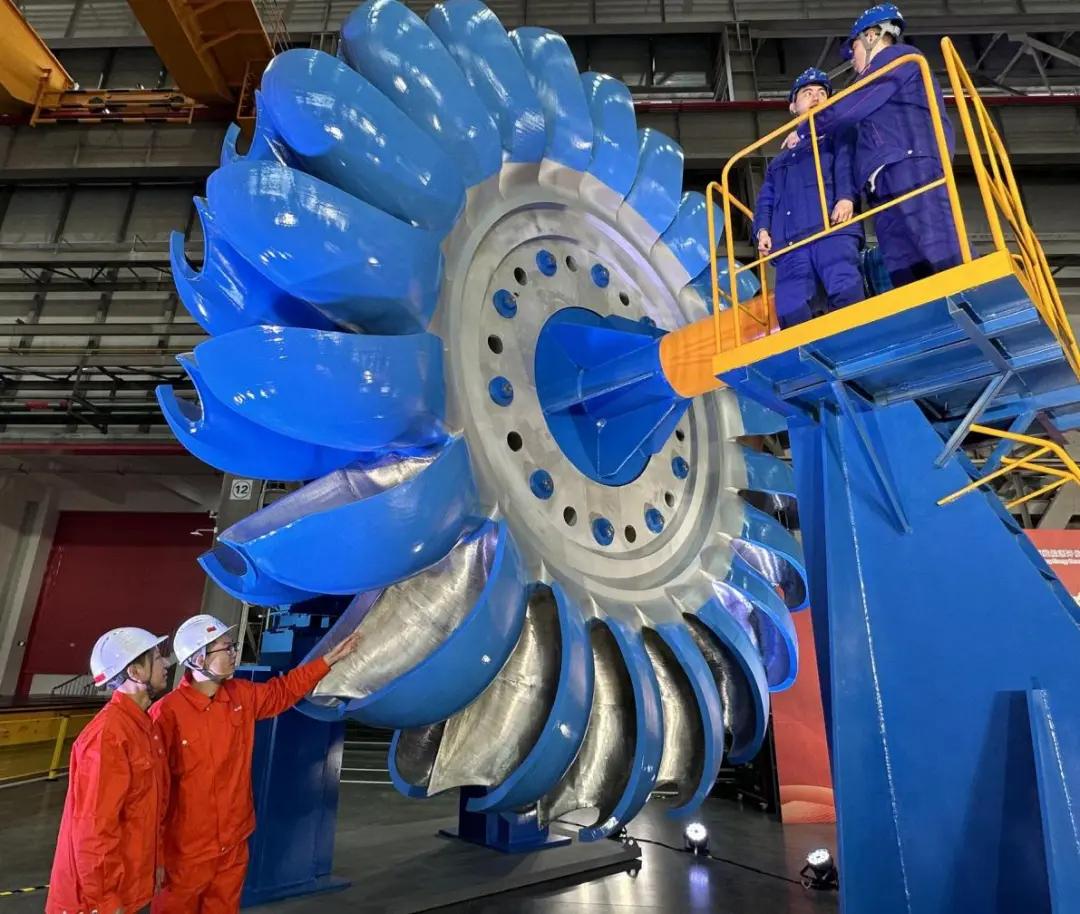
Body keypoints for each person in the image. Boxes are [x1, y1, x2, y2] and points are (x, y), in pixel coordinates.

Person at [150, 614, 362, 914]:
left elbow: (283, 691)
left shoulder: (241, 696)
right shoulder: (166, 715)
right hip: (185, 851)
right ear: (198, 659)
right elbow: (154, 792)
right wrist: (156, 855)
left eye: (232, 646)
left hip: (233, 842)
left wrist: (327, 660)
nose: (233, 654)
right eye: (225, 648)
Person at [814, 4, 966, 287]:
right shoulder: (877, 79)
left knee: (936, 244)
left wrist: (808, 126)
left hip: (909, 163)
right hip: (881, 181)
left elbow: (849, 108)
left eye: (854, 50)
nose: (854, 61)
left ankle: (970, 291)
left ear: (871, 36)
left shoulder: (899, 59)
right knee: (903, 265)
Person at [47, 627, 172, 914]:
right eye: (157, 658)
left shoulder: (143, 727)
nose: (166, 663)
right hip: (95, 901)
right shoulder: (109, 736)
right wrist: (105, 900)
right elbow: (94, 828)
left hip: (126, 886)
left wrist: (156, 861)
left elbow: (148, 808)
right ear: (135, 672)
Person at [753, 68, 865, 329]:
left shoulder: (838, 135)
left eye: (822, 93)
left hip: (831, 230)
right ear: (793, 106)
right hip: (791, 245)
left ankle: (852, 343)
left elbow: (846, 166)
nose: (816, 97)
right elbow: (766, 199)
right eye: (807, 93)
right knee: (791, 310)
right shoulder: (779, 162)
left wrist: (846, 198)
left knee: (846, 291)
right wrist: (762, 230)